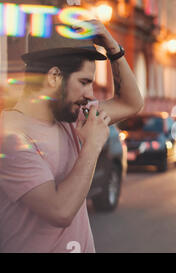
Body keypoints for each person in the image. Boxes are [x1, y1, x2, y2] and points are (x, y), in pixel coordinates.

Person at [0, 20, 144, 253]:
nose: (90, 94)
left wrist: (113, 48)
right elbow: (60, 211)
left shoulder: (70, 117)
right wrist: (93, 145)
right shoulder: (10, 135)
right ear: (54, 77)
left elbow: (131, 103)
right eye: (84, 82)